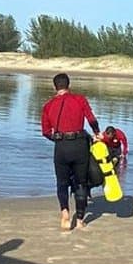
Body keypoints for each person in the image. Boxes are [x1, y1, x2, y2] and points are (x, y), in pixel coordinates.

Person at [40, 73, 99, 232]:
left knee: (62, 183)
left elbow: (45, 132)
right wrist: (97, 132)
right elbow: (91, 119)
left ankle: (65, 213)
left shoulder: (48, 105)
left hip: (61, 147)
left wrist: (58, 139)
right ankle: (80, 220)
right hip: (79, 145)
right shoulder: (80, 99)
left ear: (55, 87)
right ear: (69, 85)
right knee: (81, 182)